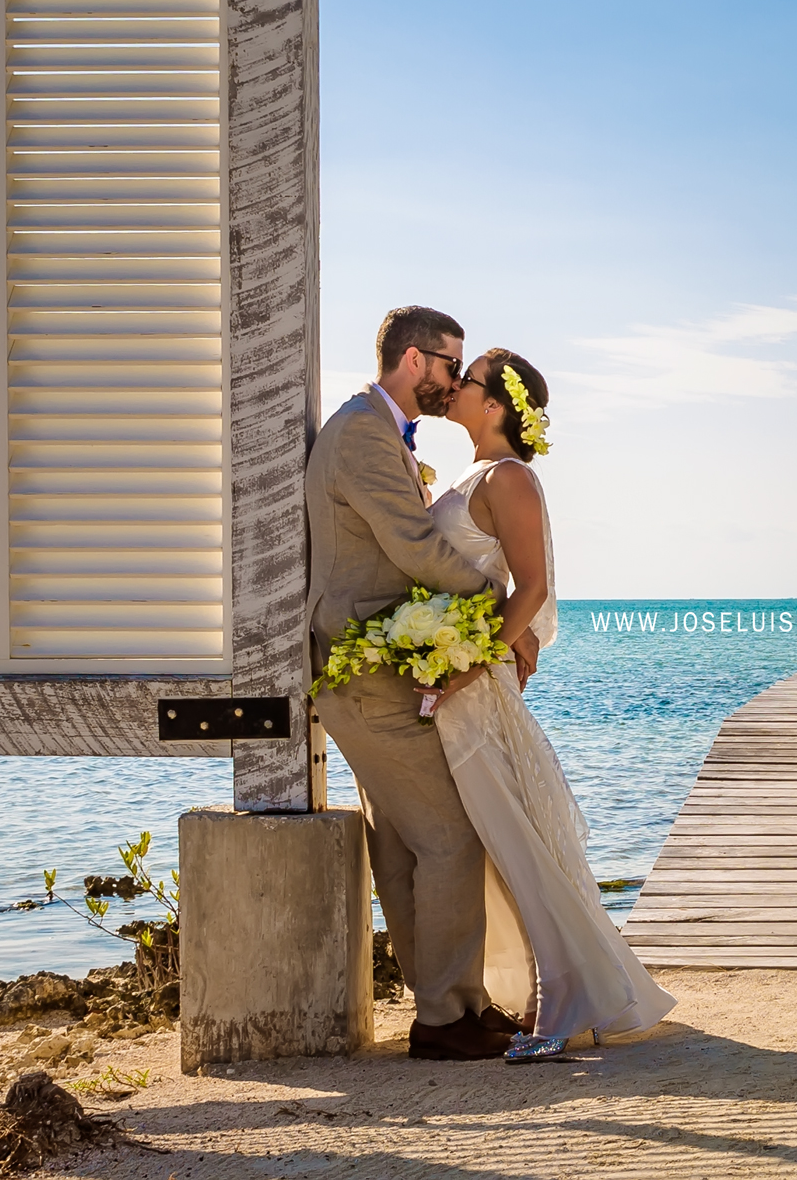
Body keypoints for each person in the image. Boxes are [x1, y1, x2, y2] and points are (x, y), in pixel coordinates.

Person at [425, 349, 678, 1059]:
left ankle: (558, 1007)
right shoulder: (468, 477)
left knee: (520, 844)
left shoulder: (510, 478)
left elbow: (529, 589)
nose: (453, 387)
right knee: (495, 848)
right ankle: (538, 994)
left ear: (496, 404)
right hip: (452, 683)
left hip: (473, 688)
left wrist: (467, 666)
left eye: (466, 381)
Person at [305, 305, 518, 1062]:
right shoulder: (364, 430)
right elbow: (415, 543)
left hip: (372, 669)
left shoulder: (377, 428)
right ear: (413, 359)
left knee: (400, 843)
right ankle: (444, 1016)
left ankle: (449, 1003)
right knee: (452, 837)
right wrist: (499, 606)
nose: (455, 380)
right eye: (448, 365)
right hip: (365, 674)